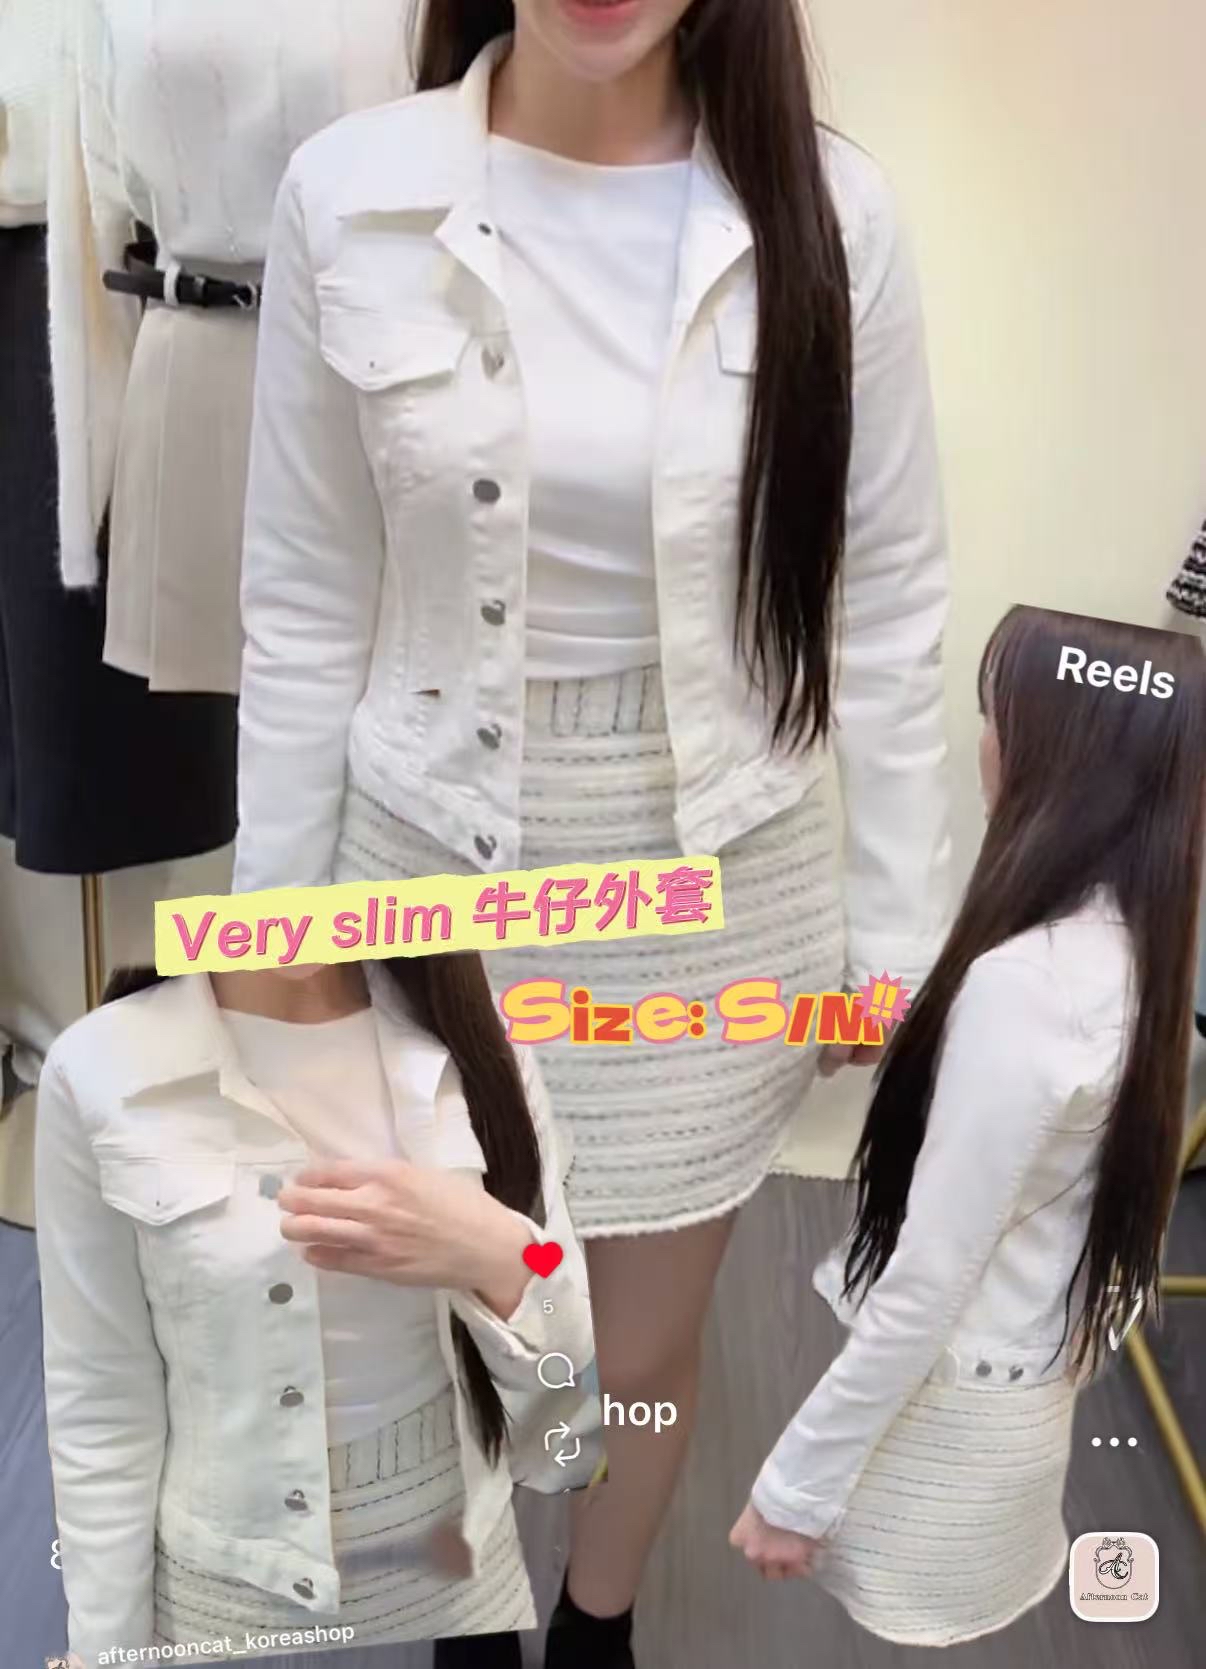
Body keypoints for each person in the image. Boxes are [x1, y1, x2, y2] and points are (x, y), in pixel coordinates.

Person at [232, 3, 953, 1662]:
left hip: (718, 876)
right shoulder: (349, 192)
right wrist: (275, 943)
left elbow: (888, 606)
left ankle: (595, 1619)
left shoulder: (832, 215)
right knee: (450, 1323)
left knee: (630, 1348)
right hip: (429, 860)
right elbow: (305, 601)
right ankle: (470, 1610)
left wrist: (898, 945)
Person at [732, 606, 1206, 1645]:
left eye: (996, 718)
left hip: (950, 1417)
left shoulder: (1027, 986)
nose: (981, 741)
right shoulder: (1132, 951)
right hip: (1026, 1393)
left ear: (1058, 759)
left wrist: (793, 1490)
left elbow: (929, 1279)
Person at [35, 954, 599, 1667]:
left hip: (460, 1583)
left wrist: (497, 1255)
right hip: (216, 1602)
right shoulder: (96, 1066)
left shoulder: (485, 1039)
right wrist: (103, 1651)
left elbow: (571, 1400)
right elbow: (101, 1402)